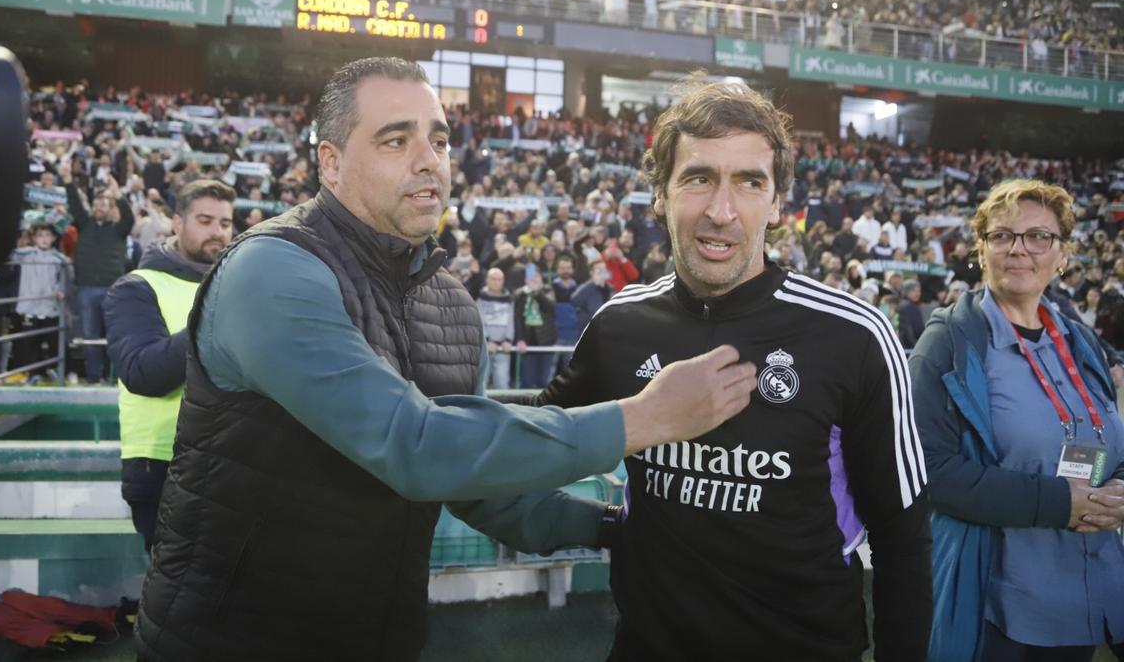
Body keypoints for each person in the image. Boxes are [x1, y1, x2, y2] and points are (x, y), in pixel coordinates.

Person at [134, 58, 755, 662]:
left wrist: (616, 528)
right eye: (395, 140)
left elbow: (477, 485)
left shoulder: (451, 303)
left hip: (382, 638)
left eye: (439, 139)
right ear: (330, 161)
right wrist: (642, 419)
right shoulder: (270, 269)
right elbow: (416, 446)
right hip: (230, 643)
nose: (428, 160)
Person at [532, 77, 932, 661]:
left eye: (749, 182)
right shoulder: (620, 325)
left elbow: (903, 542)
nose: (721, 211)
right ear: (661, 195)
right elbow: (534, 442)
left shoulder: (856, 336)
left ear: (777, 205)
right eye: (698, 178)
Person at [910, 179, 1124, 662]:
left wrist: (1119, 491)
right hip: (1003, 609)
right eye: (1002, 235)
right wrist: (1058, 502)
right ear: (982, 251)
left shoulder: (1081, 341)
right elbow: (929, 471)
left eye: (1038, 236)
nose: (1019, 249)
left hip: (1088, 595)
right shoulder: (949, 342)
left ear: (1063, 254)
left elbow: (1111, 442)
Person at [104, 180, 236, 551]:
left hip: (233, 460)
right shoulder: (136, 287)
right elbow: (143, 374)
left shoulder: (237, 286)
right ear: (177, 224)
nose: (218, 232)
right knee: (180, 599)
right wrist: (215, 318)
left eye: (225, 223)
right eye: (206, 220)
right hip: (164, 464)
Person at [61, 166, 134, 383]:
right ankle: (94, 377)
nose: (99, 207)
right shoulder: (84, 225)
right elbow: (75, 203)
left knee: (116, 336)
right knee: (90, 336)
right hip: (86, 289)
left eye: (103, 204)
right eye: (96, 204)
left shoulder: (120, 229)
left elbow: (129, 217)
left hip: (113, 289)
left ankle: (117, 378)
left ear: (112, 208)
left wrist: (118, 195)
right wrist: (67, 181)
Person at [9, 224, 70, 378]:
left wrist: (61, 290)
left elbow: (66, 280)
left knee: (55, 341)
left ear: (53, 238)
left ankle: (56, 370)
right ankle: (35, 373)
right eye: (40, 235)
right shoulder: (24, 254)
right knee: (30, 343)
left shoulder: (59, 259)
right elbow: (9, 255)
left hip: (50, 307)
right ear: (34, 238)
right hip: (29, 307)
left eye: (47, 235)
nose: (44, 239)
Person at [477, 266, 516, 389]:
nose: (496, 282)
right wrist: (487, 340)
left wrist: (508, 340)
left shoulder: (510, 299)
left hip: (503, 348)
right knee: (481, 385)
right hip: (484, 349)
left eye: (499, 279)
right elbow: (479, 322)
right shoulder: (480, 298)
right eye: (493, 279)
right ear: (487, 280)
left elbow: (511, 322)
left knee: (503, 384)